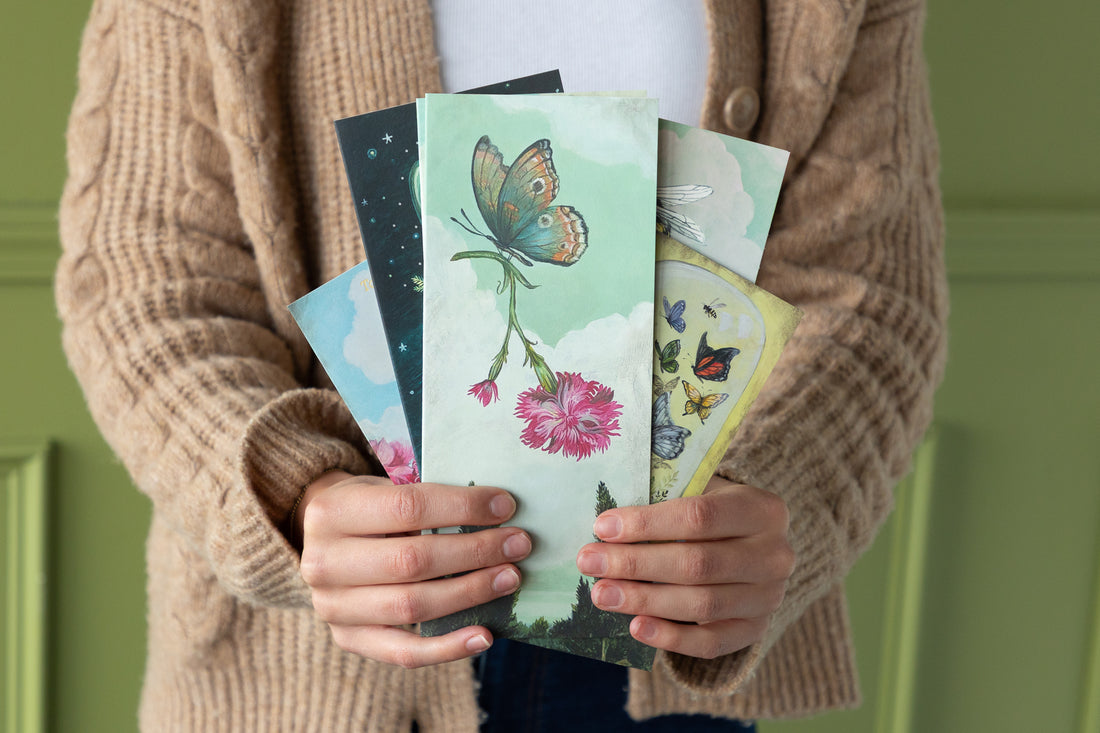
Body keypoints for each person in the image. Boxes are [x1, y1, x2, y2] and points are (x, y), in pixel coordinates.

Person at [56, 0, 947, 730]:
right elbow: (146, 283)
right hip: (315, 668)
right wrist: (295, 495)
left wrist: (771, 495)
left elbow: (868, 293)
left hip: (667, 653)